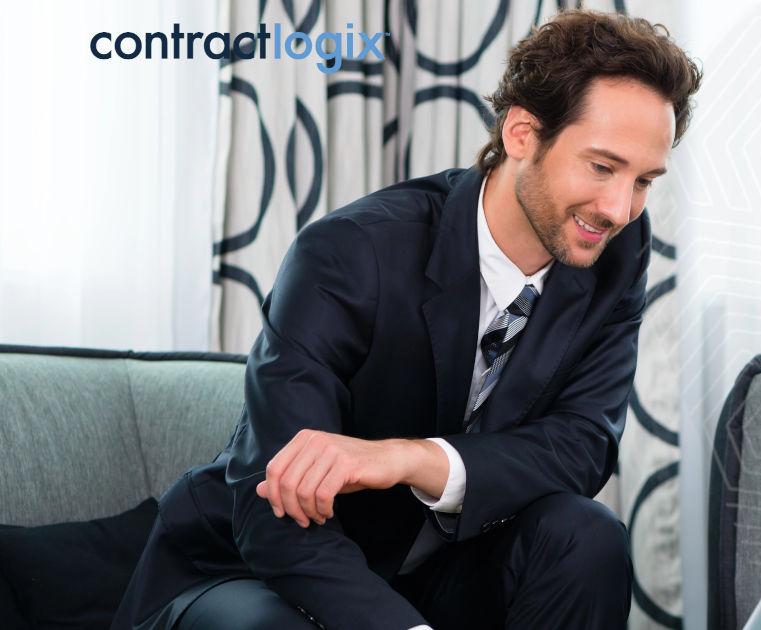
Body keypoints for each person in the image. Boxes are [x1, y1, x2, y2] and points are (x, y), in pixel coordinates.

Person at [112, 9, 701, 630]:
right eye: (603, 167)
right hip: (252, 571)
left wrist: (414, 459)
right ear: (523, 133)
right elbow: (274, 514)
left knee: (587, 537)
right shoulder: (348, 253)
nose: (620, 208)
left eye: (644, 181)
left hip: (434, 569)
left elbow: (583, 446)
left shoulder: (617, 249)